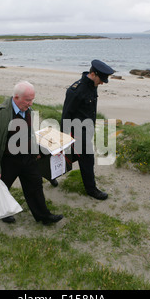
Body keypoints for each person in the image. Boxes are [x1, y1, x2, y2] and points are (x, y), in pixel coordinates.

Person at [0, 81, 63, 225]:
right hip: (9, 159)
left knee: (35, 185)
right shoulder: (1, 114)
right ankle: (3, 212)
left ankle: (44, 217)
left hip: (27, 158)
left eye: (32, 99)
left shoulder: (29, 111)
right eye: (28, 100)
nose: (31, 103)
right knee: (3, 187)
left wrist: (35, 152)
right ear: (16, 97)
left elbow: (31, 135)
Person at [61, 60, 115, 200]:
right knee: (87, 160)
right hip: (77, 133)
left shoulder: (92, 85)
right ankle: (91, 189)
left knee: (69, 157)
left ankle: (51, 174)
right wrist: (63, 139)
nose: (102, 82)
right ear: (92, 73)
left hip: (87, 130)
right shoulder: (75, 91)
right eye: (101, 79)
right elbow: (66, 115)